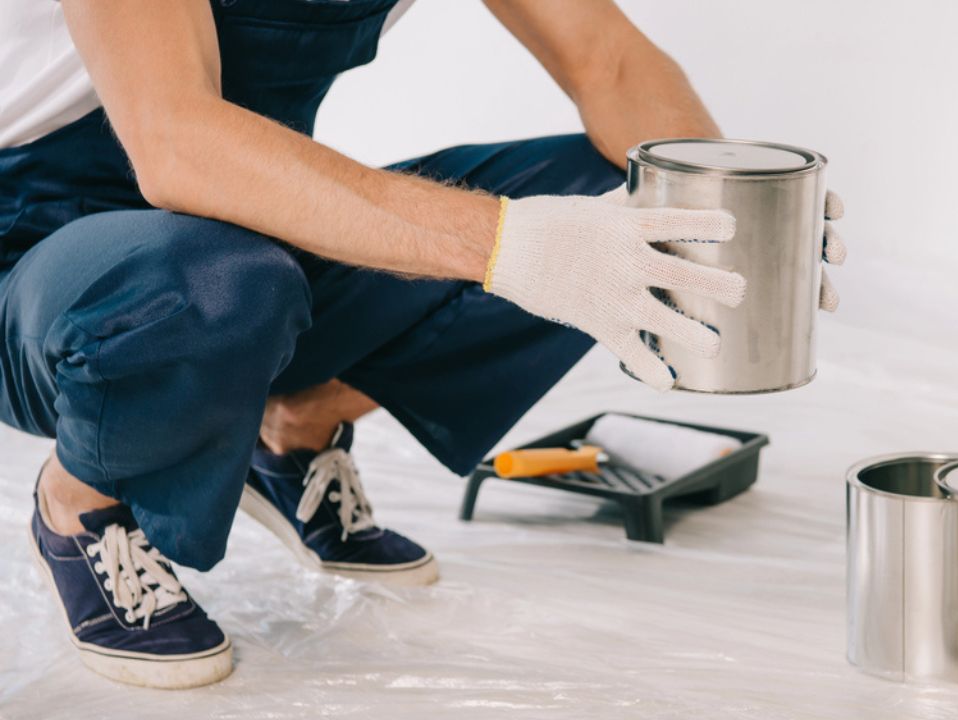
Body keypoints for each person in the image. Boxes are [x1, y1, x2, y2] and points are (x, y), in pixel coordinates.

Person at [1, 0, 846, 689]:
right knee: (211, 285)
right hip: (44, 253)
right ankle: (82, 500)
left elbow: (609, 59)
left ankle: (291, 425)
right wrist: (514, 246)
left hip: (241, 231)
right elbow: (177, 143)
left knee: (622, 197)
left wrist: (720, 224)